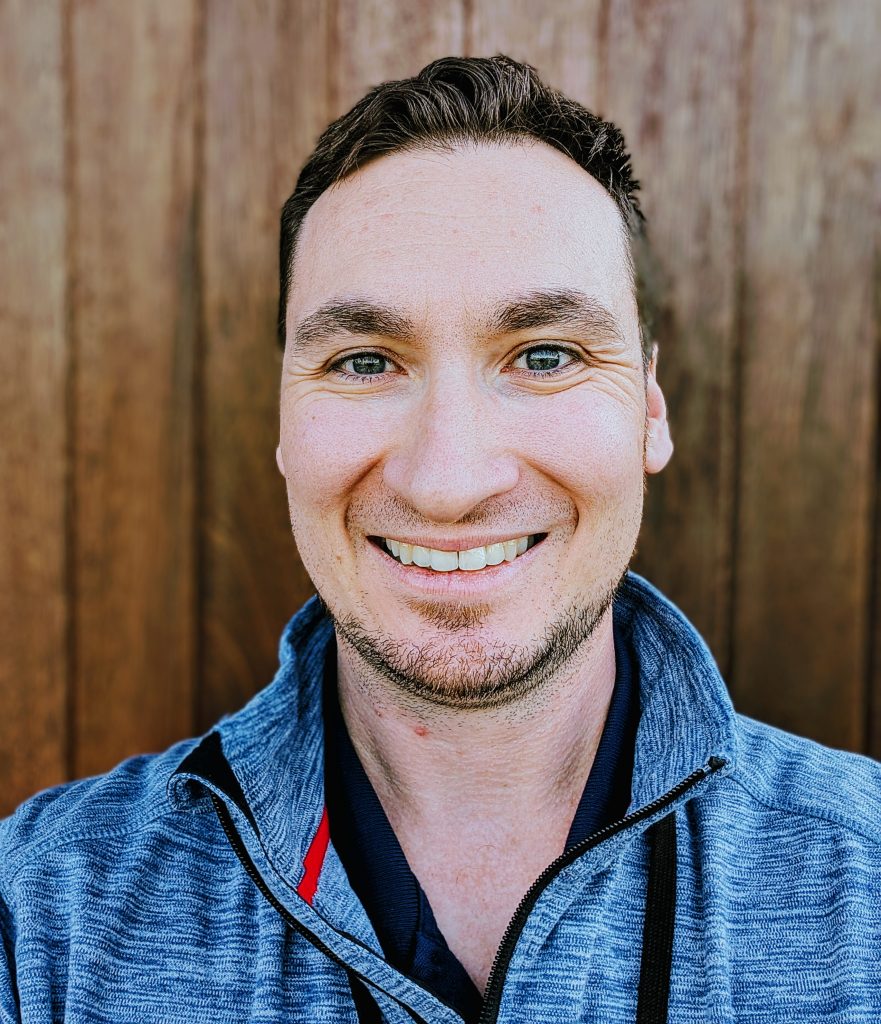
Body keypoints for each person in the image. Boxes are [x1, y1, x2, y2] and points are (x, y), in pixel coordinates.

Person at [2, 54, 880, 1024]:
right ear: (284, 427)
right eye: (366, 360)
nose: (448, 480)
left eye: (543, 355)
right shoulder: (43, 925)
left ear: (650, 412)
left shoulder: (866, 889)